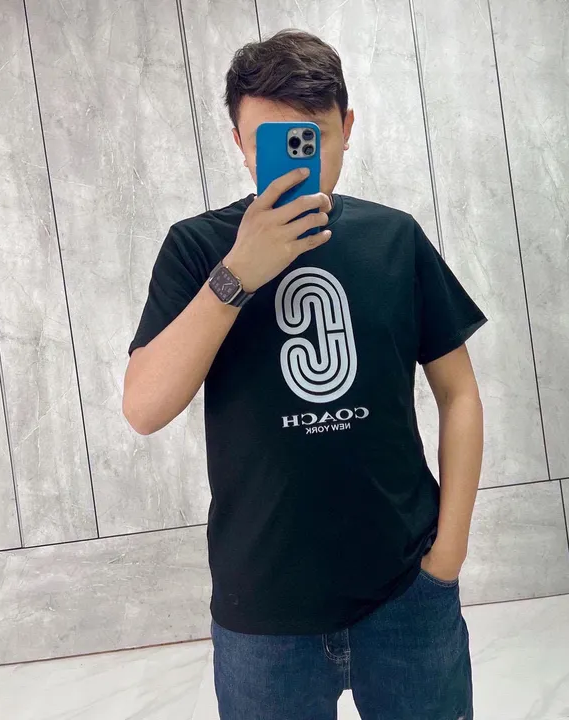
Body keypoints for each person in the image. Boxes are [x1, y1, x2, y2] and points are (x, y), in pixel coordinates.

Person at [124, 29, 486, 720]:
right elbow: (144, 408)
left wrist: (450, 553)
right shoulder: (198, 247)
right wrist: (238, 274)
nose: (297, 158)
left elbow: (459, 391)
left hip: (407, 592)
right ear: (239, 142)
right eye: (274, 140)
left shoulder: (394, 238)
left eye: (312, 136)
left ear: (346, 128)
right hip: (262, 613)